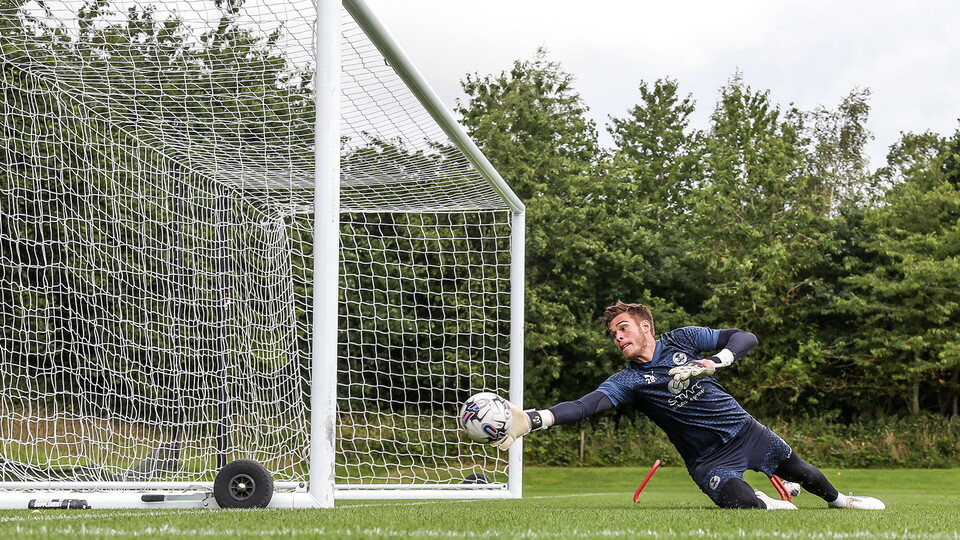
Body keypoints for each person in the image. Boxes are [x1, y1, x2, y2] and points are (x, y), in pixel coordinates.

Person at [494, 301, 885, 510]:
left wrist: (715, 361)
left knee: (800, 469)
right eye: (613, 334)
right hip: (707, 460)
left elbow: (743, 336)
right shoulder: (628, 380)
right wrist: (532, 419)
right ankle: (765, 498)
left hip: (745, 431)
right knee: (746, 504)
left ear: (645, 326)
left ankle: (842, 501)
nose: (617, 337)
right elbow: (584, 405)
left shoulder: (683, 339)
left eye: (623, 328)